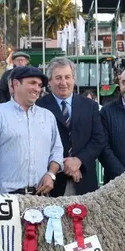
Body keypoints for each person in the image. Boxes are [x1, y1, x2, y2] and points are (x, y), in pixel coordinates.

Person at [0, 66, 63, 195]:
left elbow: (57, 150)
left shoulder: (48, 117)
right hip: (7, 198)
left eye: (40, 85)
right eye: (32, 83)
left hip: (41, 197)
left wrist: (51, 174)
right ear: (16, 84)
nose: (37, 89)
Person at [37, 58, 106, 196]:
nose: (63, 82)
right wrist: (64, 166)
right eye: (58, 78)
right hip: (50, 183)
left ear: (74, 79)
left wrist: (78, 160)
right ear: (49, 82)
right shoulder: (39, 107)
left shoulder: (90, 106)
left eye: (67, 77)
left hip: (84, 180)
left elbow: (98, 139)